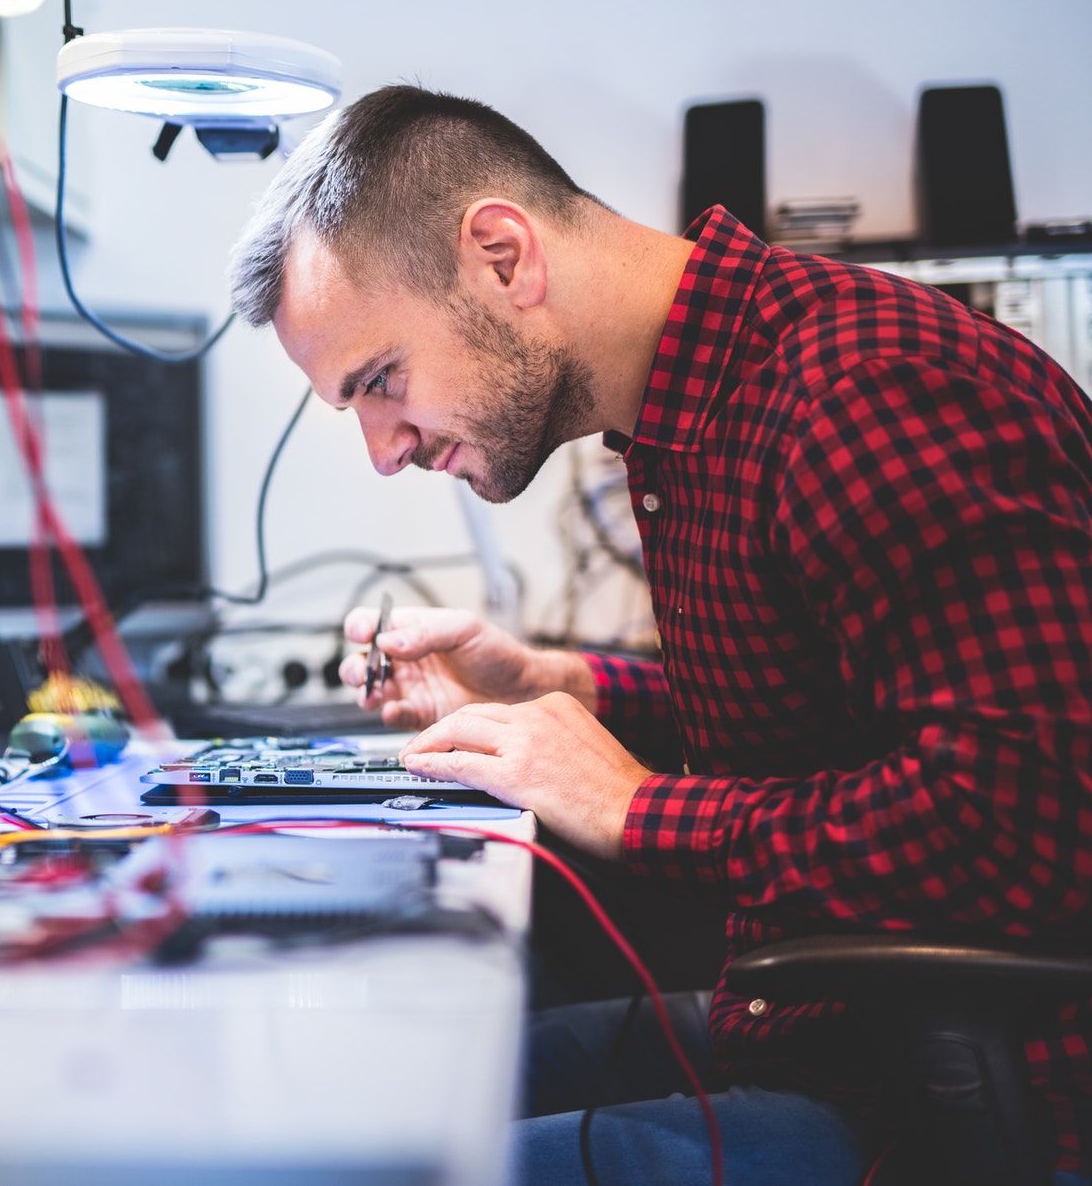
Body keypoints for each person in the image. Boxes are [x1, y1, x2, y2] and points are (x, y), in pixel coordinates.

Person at [226, 84, 1092, 1184]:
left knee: (381, 1166)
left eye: (381, 382)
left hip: (973, 1090)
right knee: (389, 1085)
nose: (382, 450)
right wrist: (556, 683)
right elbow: (833, 712)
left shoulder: (859, 392)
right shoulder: (696, 411)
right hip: (835, 1018)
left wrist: (633, 809)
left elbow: (1031, 815)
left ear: (501, 255)